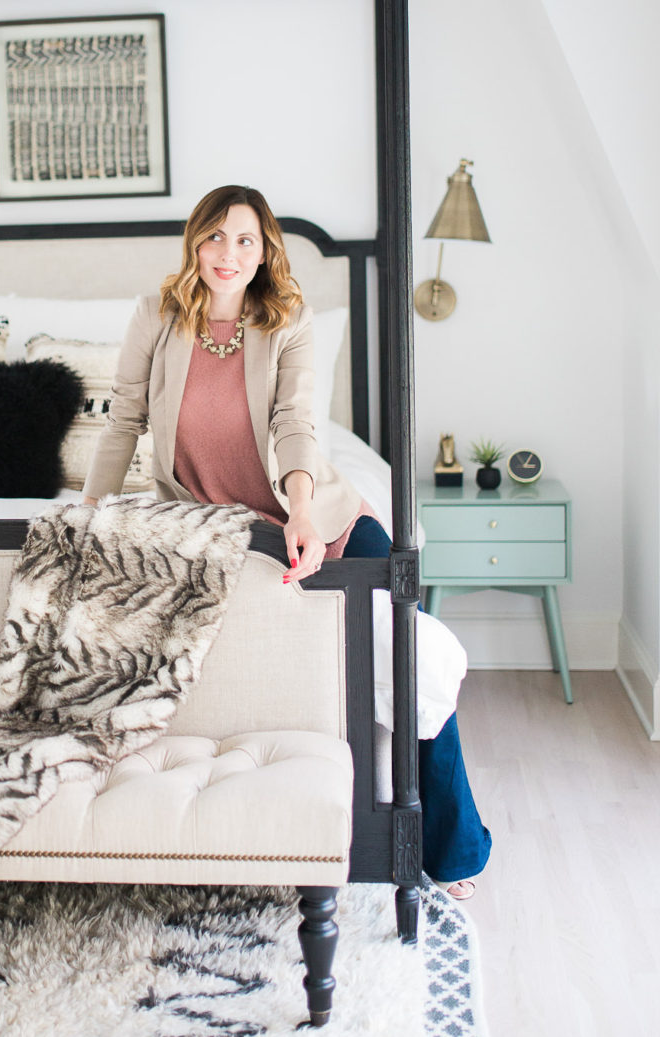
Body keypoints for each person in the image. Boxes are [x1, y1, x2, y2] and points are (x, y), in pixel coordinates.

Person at [83, 184, 490, 897]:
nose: (227, 254)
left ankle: (452, 850)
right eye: (214, 237)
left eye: (244, 240)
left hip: (318, 516)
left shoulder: (286, 320)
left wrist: (301, 510)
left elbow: (295, 424)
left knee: (409, 646)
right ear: (194, 243)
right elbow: (123, 422)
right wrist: (91, 512)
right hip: (219, 527)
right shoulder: (157, 315)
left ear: (265, 249)